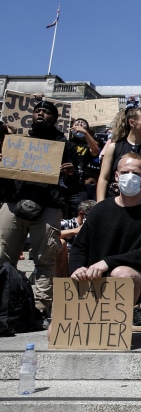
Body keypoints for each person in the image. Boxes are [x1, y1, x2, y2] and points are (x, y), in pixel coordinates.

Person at [0, 100, 79, 320]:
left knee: (45, 258)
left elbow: (75, 187)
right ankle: (4, 301)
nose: (40, 114)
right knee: (2, 254)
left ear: (55, 118)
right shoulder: (18, 142)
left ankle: (40, 306)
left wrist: (71, 174)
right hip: (14, 202)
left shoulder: (66, 146)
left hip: (48, 206)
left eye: (46, 111)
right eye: (37, 111)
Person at [70, 153, 141, 326]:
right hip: (94, 277)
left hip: (134, 277)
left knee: (121, 274)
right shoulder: (100, 210)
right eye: (125, 172)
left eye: (136, 173)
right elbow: (80, 246)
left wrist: (108, 262)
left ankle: (116, 323)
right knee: (53, 335)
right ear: (116, 176)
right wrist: (78, 268)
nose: (130, 177)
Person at [97, 106, 141, 204]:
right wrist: (100, 204)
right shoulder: (114, 147)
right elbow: (104, 178)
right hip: (115, 201)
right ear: (132, 123)